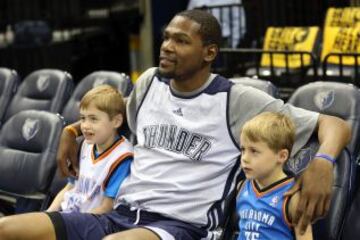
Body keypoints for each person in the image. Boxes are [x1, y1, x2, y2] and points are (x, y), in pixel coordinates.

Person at [0, 9, 350, 240]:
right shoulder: (150, 82)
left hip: (181, 227)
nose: (166, 46)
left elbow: (333, 124)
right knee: (8, 228)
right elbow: (113, 112)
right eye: (166, 37)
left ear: (209, 53)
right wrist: (72, 130)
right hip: (119, 215)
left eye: (181, 41)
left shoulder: (237, 100)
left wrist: (323, 161)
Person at [46, 85, 133, 214]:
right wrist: (48, 214)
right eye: (82, 118)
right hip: (67, 215)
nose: (85, 126)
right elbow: (69, 188)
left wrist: (68, 223)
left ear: (116, 121)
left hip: (87, 223)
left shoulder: (122, 157)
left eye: (93, 119)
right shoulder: (84, 145)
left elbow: (106, 208)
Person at [237, 112, 312, 240]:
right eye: (243, 150)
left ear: (282, 156)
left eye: (254, 151)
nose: (244, 158)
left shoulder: (293, 198)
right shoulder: (242, 187)